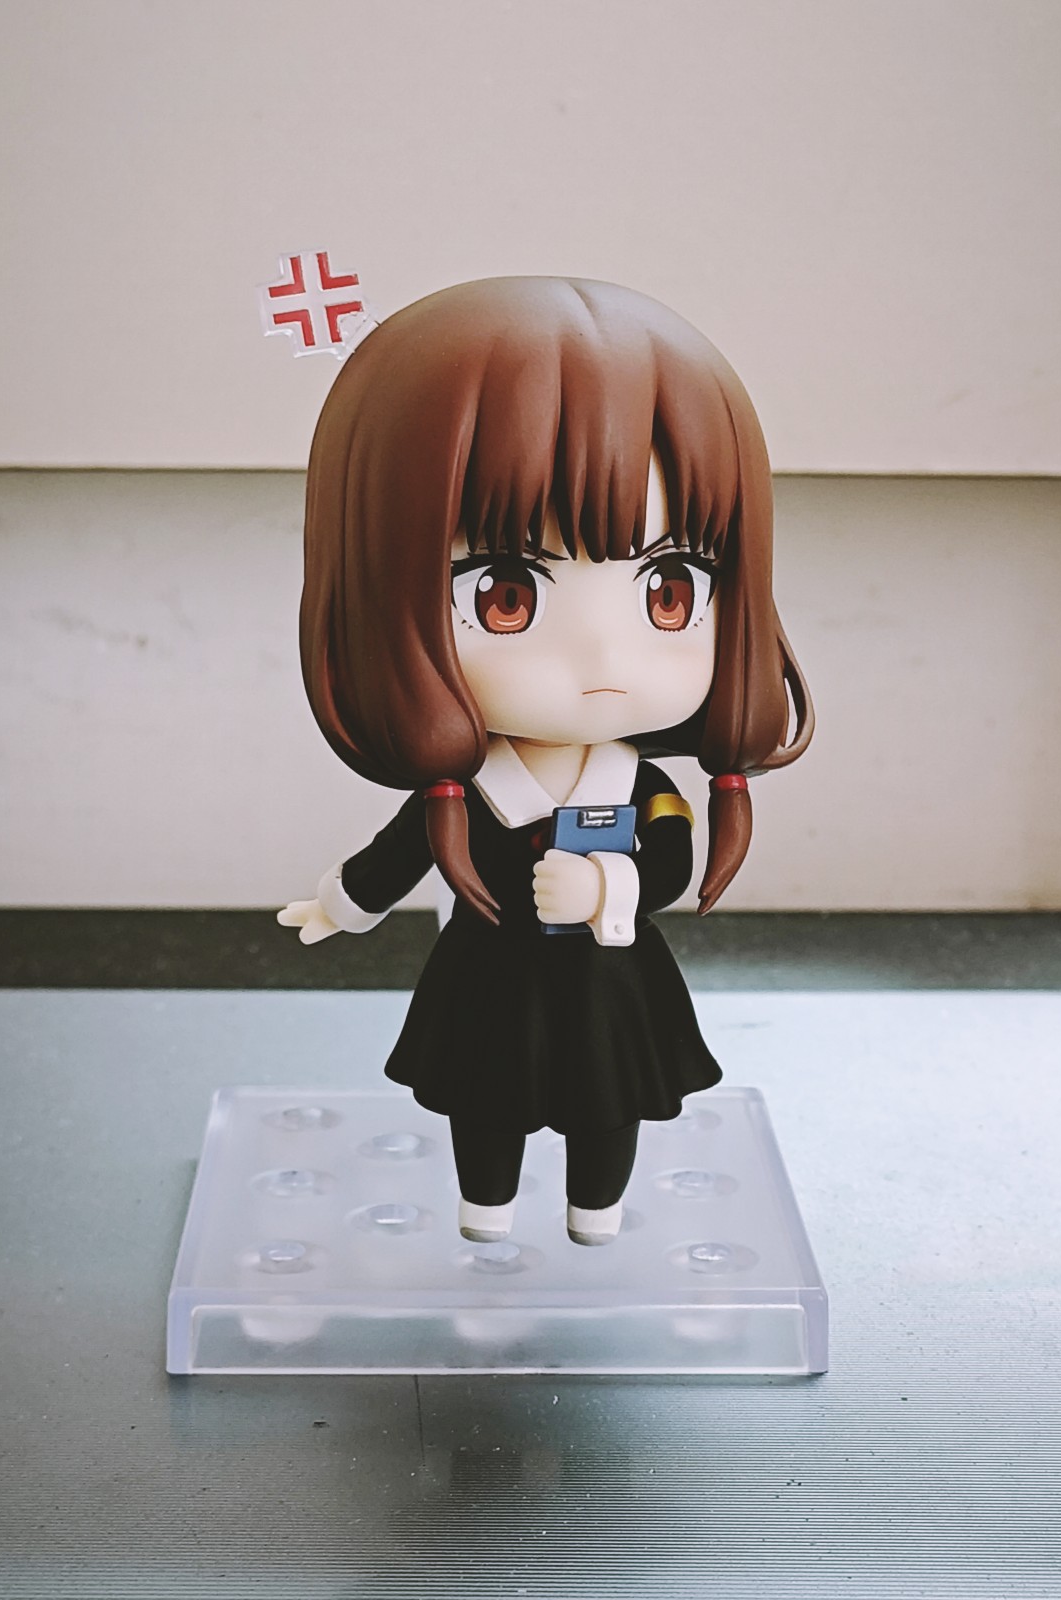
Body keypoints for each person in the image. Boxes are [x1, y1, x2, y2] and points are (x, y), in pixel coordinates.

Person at [278, 276, 812, 1246]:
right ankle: (485, 1205)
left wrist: (609, 888)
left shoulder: (642, 788)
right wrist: (341, 903)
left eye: (668, 591)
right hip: (491, 978)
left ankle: (595, 1208)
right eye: (507, 596)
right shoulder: (467, 791)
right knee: (484, 1097)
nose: (604, 660)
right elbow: (397, 854)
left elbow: (670, 865)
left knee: (608, 1099)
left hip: (610, 980)